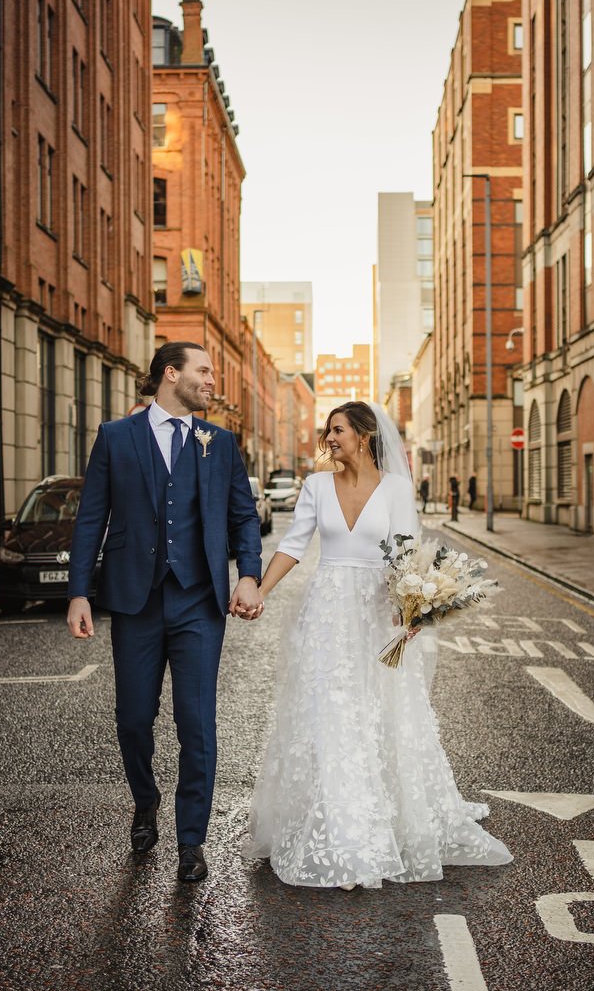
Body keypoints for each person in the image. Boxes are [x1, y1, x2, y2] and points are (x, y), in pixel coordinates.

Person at [244, 401, 512, 889]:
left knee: (378, 710)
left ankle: (382, 819)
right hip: (325, 612)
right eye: (327, 431)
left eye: (338, 430)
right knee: (329, 713)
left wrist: (410, 611)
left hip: (374, 615)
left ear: (365, 436)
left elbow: (407, 555)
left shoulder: (396, 488)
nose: (330, 438)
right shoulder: (316, 486)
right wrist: (259, 592)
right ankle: (343, 832)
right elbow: (292, 547)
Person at [67, 341, 264, 885]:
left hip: (199, 601)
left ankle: (191, 840)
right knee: (133, 719)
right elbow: (91, 519)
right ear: (170, 374)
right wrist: (79, 592)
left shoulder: (218, 443)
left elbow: (244, 518)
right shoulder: (115, 437)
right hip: (134, 600)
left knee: (196, 723)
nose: (211, 380)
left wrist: (248, 573)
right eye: (203, 371)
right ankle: (145, 800)